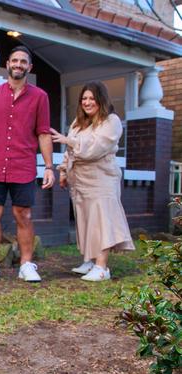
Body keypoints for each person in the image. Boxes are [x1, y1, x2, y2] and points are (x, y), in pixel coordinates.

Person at [0, 46, 55, 283]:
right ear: (7, 64)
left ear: (29, 67)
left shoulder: (40, 97)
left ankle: (26, 264)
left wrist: (48, 166)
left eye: (23, 61)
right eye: (14, 60)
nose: (18, 64)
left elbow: (44, 133)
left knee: (22, 214)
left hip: (23, 165)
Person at [50, 81, 134, 281]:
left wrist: (69, 141)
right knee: (85, 221)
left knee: (101, 220)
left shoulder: (111, 121)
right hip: (80, 181)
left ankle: (102, 267)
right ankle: (90, 260)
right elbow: (70, 152)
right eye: (84, 98)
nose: (87, 102)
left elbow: (96, 147)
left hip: (102, 179)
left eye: (91, 98)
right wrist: (63, 171)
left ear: (101, 100)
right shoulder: (78, 123)